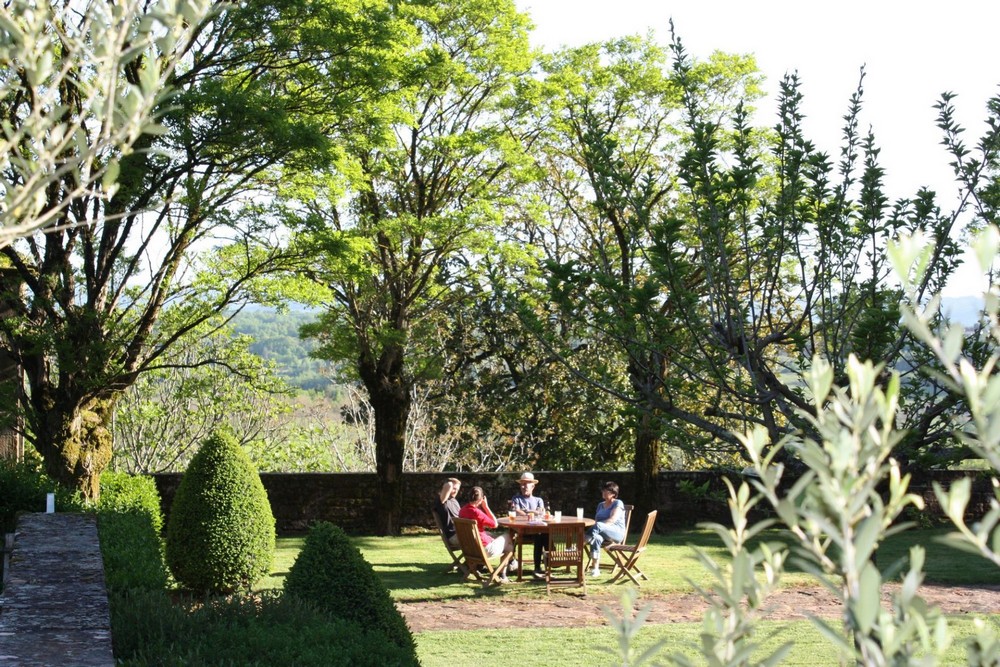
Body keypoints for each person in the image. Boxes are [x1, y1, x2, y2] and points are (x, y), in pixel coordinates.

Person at [458, 486, 516, 576]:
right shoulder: (477, 512)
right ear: (481, 499)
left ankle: (505, 571)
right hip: (485, 550)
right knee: (508, 536)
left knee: (507, 546)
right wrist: (486, 507)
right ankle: (508, 566)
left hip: (470, 550)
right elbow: (495, 524)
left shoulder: (462, 511)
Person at [510, 472, 547, 579]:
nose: (524, 486)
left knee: (545, 535)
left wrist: (526, 511)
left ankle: (547, 566)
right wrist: (533, 512)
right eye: (522, 484)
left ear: (533, 486)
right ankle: (539, 567)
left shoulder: (538, 500)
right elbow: (516, 512)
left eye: (527, 484)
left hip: (538, 530)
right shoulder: (516, 499)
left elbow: (541, 513)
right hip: (523, 531)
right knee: (541, 536)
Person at [585, 481, 626, 577]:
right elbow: (596, 521)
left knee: (598, 525)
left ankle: (579, 545)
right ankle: (595, 569)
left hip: (616, 533)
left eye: (606, 490)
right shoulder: (600, 505)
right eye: (603, 490)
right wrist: (597, 526)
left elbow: (612, 520)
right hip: (602, 533)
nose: (603, 492)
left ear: (613, 493)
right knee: (596, 538)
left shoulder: (618, 503)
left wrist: (599, 526)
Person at [432, 477, 462, 547]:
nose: (455, 491)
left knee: (489, 536)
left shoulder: (454, 501)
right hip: (453, 536)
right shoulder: (441, 500)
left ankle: (477, 557)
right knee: (480, 539)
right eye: (454, 488)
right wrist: (450, 484)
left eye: (457, 489)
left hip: (462, 533)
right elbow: (448, 485)